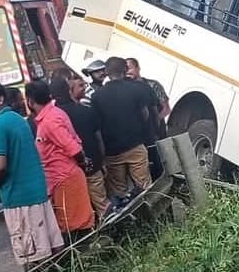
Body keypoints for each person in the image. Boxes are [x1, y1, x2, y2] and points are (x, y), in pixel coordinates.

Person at [0, 82, 63, 267]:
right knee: (51, 248)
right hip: (37, 192)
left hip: (18, 198)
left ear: (0, 99)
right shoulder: (17, 119)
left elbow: (0, 166)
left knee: (32, 256)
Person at [26, 80, 95, 242]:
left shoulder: (50, 121)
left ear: (30, 100)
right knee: (71, 224)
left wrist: (82, 162)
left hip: (65, 178)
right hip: (62, 179)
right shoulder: (53, 114)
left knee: (75, 226)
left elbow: (74, 149)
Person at [50, 72, 110, 219]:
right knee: (103, 206)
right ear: (69, 90)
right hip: (92, 167)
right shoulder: (85, 111)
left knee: (80, 212)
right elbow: (98, 138)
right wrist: (102, 160)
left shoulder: (51, 119)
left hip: (69, 173)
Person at [91, 57, 153, 199]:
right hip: (135, 144)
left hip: (112, 152)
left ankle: (127, 218)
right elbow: (145, 114)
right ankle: (152, 216)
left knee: (119, 192)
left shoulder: (96, 97)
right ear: (125, 70)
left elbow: (98, 128)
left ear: (106, 72)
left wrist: (103, 153)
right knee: (145, 187)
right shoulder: (136, 89)